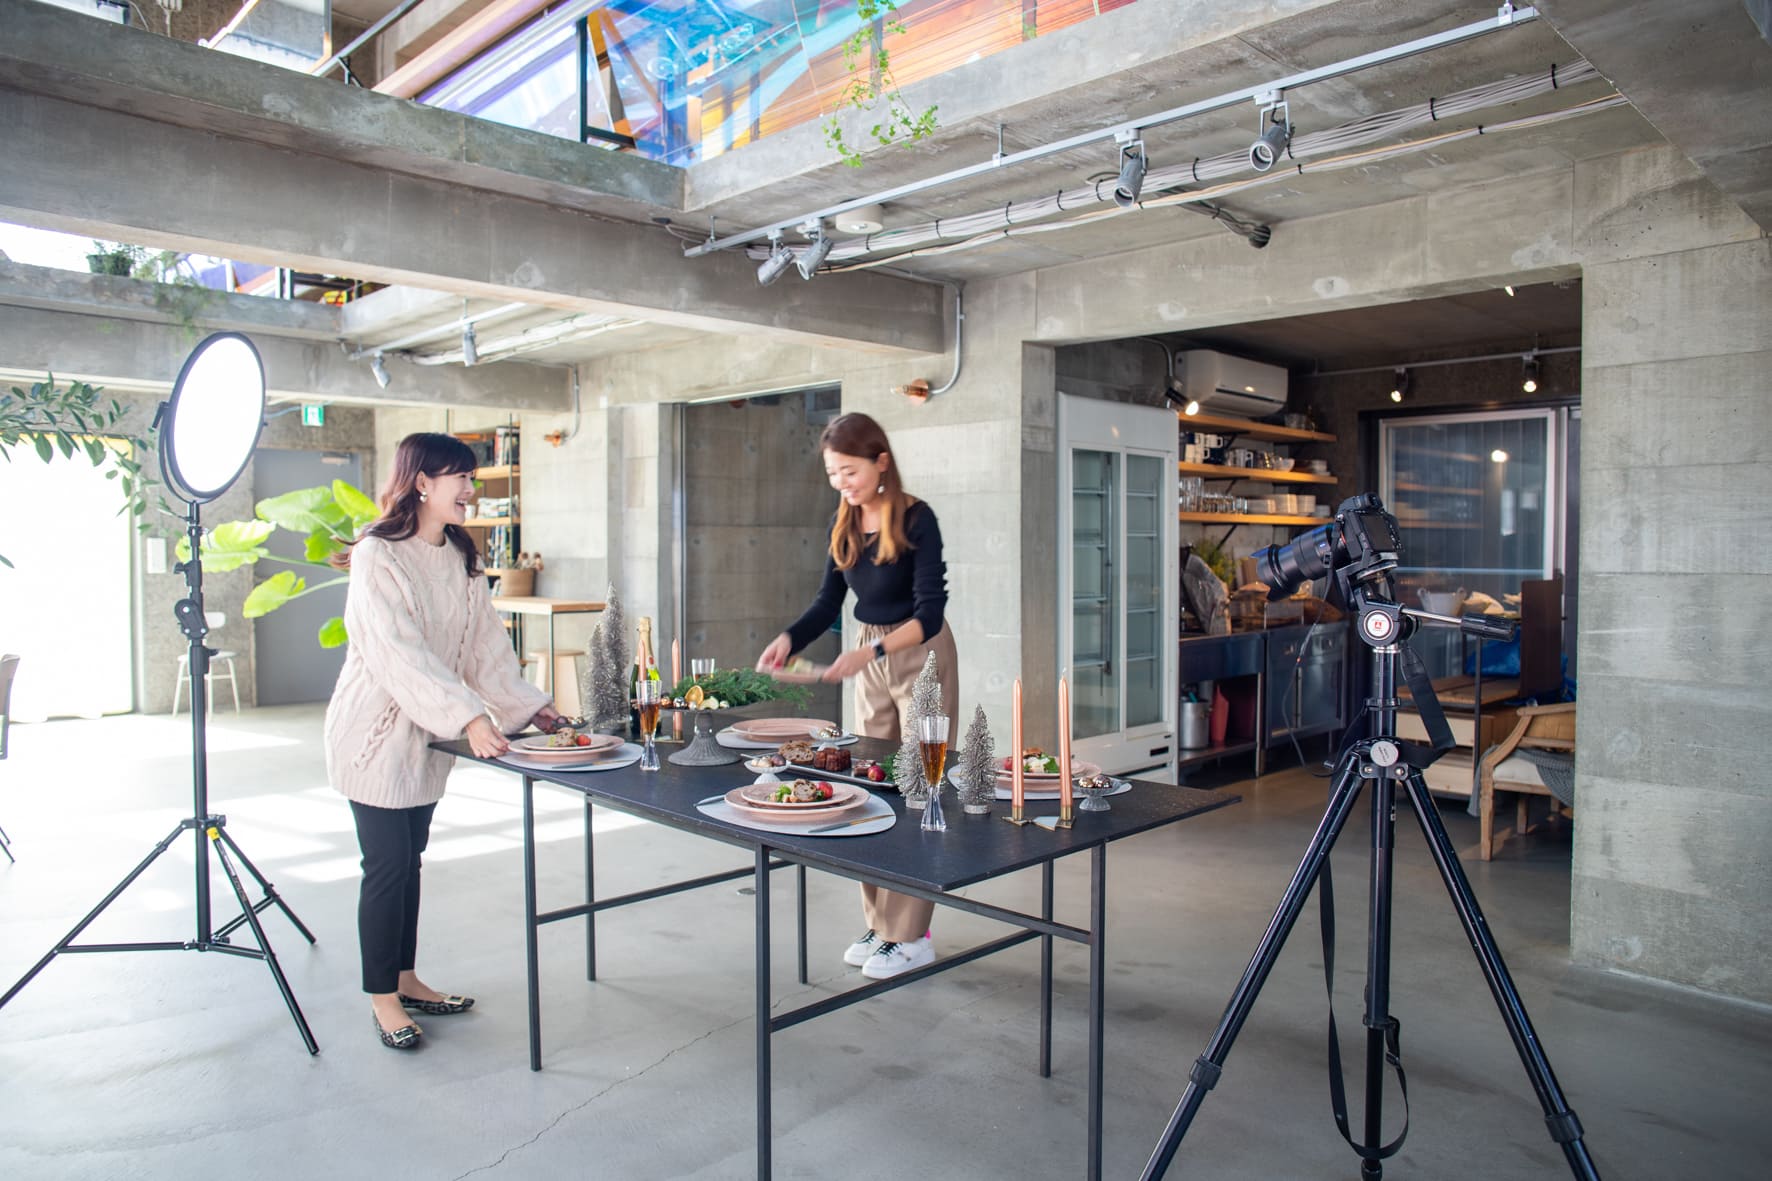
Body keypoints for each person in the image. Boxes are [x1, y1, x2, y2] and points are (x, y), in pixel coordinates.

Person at [325, 432, 559, 1050]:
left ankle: (406, 979)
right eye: (461, 478)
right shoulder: (380, 554)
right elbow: (397, 653)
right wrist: (468, 718)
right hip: (374, 736)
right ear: (422, 482)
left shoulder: (459, 552)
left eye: (473, 479)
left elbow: (484, 644)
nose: (471, 491)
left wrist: (528, 706)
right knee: (387, 866)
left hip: (429, 736)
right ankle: (383, 1001)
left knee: (410, 863)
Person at [757, 412, 958, 980]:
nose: (841, 482)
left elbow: (929, 613)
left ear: (881, 463)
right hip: (870, 651)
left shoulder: (918, 519)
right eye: (832, 473)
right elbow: (828, 603)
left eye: (849, 470)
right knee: (870, 785)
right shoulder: (843, 524)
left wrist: (868, 654)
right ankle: (880, 925)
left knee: (919, 785)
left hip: (919, 653)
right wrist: (790, 638)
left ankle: (912, 935)